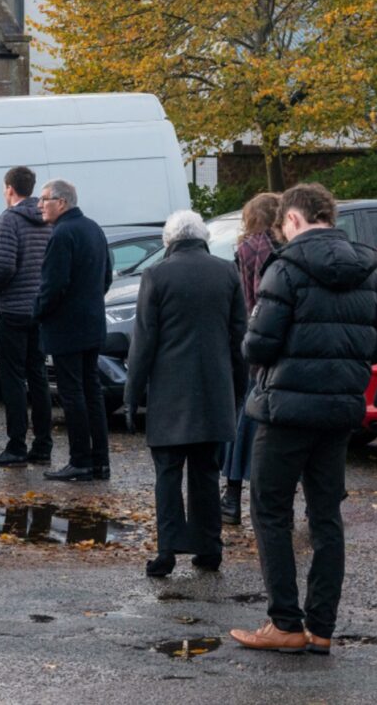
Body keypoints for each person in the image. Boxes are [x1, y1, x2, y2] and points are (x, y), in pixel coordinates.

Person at [231, 182, 377, 656]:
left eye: (283, 225)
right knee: (326, 516)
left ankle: (285, 621)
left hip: (286, 410)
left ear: (294, 219)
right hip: (340, 409)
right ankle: (321, 626)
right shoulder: (372, 272)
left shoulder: (286, 269)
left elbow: (258, 344)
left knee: (271, 511)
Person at [126, 208, 247, 576]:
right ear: (203, 238)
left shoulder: (157, 274)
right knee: (206, 472)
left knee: (168, 472)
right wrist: (237, 391)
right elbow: (238, 337)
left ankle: (167, 551)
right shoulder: (227, 272)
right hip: (214, 391)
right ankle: (209, 548)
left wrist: (132, 395)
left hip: (169, 393)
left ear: (169, 241)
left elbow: (144, 341)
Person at [34, 180, 112, 482]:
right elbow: (105, 276)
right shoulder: (94, 228)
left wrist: (37, 312)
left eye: (44, 200)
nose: (40, 205)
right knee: (91, 392)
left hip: (67, 327)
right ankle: (100, 461)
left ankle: (80, 460)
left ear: (62, 203)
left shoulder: (62, 234)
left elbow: (53, 285)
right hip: (92, 323)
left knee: (73, 394)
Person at [0, 165, 54, 467]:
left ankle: (16, 445)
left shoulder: (7, 221)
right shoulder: (47, 220)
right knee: (37, 376)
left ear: (10, 188)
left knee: (12, 379)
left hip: (12, 309)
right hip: (38, 309)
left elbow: (4, 267)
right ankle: (43, 444)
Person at [220, 191, 279, 525]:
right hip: (275, 339)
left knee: (246, 416)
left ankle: (231, 495)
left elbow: (250, 296)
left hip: (252, 338)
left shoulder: (247, 248)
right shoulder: (281, 248)